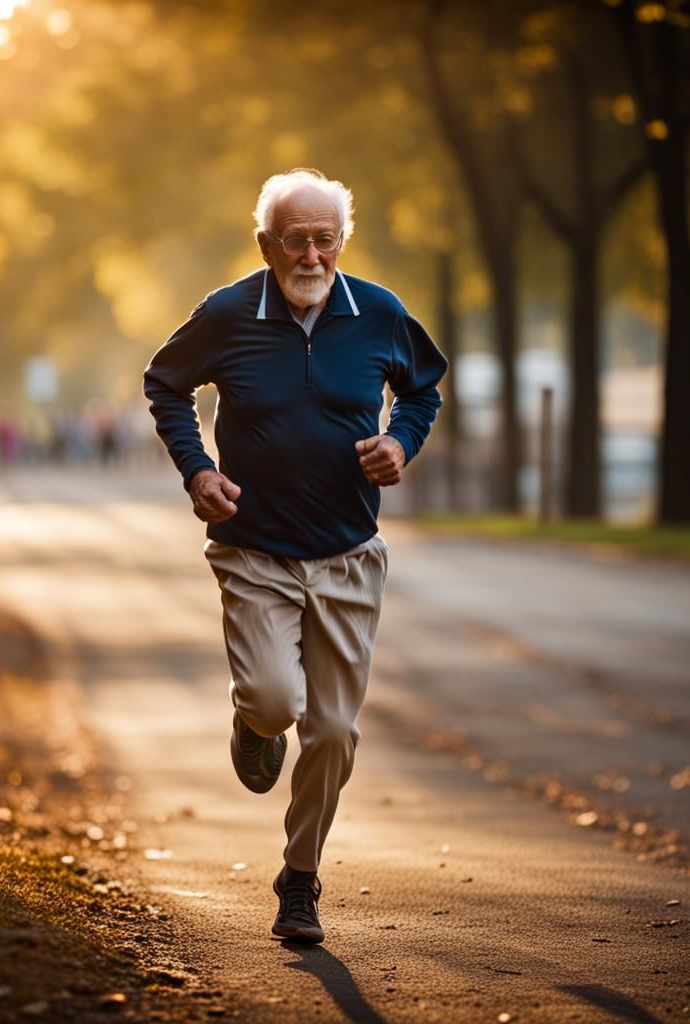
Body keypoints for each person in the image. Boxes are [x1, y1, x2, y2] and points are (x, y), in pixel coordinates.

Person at [143, 168, 447, 943]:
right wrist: (197, 467)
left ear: (341, 241)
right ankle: (256, 722)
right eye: (295, 240)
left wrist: (400, 442)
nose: (310, 255)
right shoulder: (227, 313)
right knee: (279, 700)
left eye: (325, 239)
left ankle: (300, 878)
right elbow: (165, 384)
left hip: (348, 551)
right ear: (266, 244)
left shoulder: (379, 313)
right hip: (255, 548)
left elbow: (422, 391)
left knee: (336, 733)